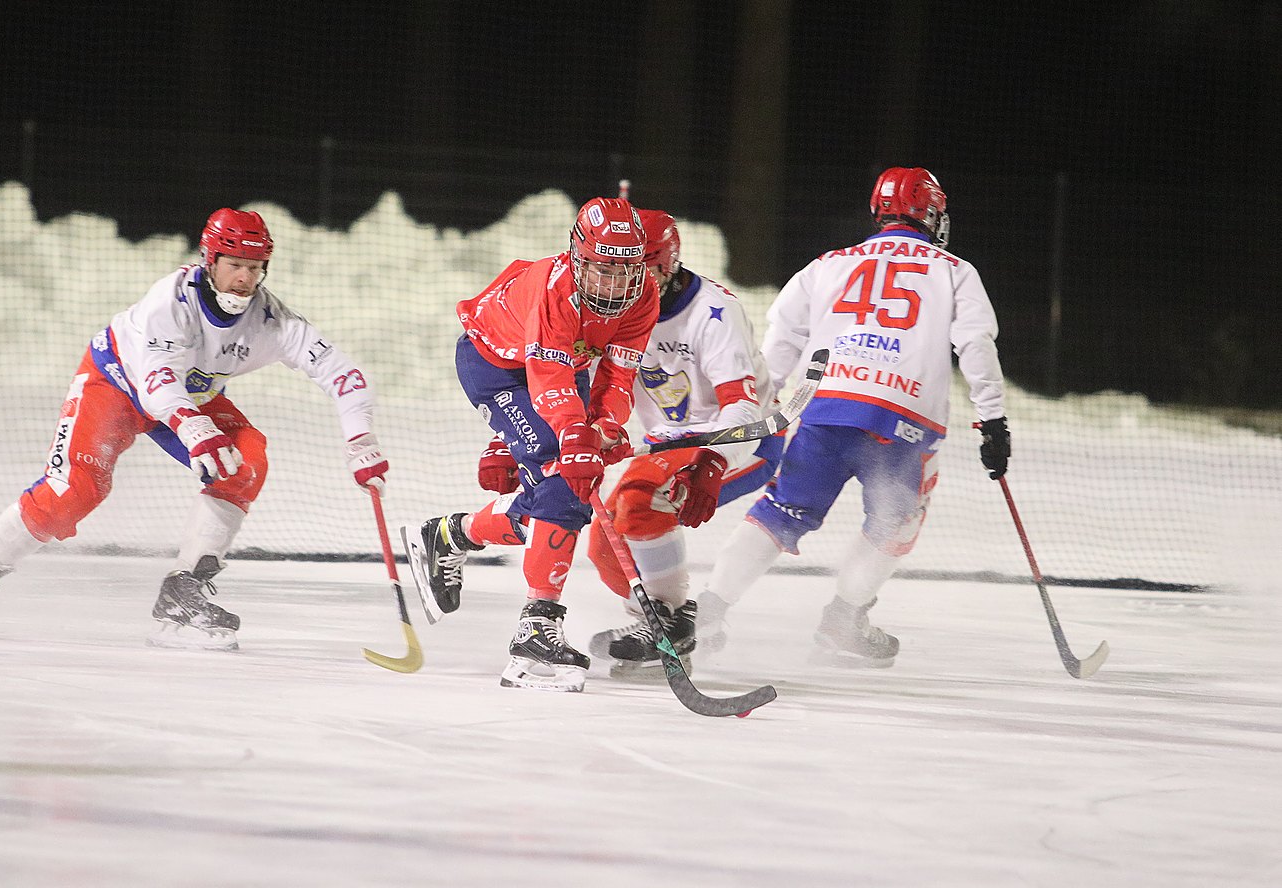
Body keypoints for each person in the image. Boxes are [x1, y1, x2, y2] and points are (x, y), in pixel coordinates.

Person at [0, 208, 389, 650]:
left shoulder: (271, 320)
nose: (244, 279)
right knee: (76, 491)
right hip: (117, 383)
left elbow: (340, 371)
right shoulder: (169, 302)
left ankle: (182, 593)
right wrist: (194, 429)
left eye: (254, 267)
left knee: (245, 463)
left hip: (190, 397)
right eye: (234, 265)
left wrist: (360, 440)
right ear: (210, 260)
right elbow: (157, 379)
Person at [694, 167, 1010, 667]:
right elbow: (975, 343)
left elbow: (783, 333)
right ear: (931, 214)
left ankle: (707, 610)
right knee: (893, 523)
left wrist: (766, 400)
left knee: (782, 510)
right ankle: (844, 618)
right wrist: (992, 420)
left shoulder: (830, 263)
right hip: (901, 422)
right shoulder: (954, 270)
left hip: (826, 407)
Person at [477, 211, 782, 674]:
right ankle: (659, 621)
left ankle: (675, 621)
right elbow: (567, 387)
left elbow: (742, 408)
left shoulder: (714, 312)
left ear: (669, 263)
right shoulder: (607, 309)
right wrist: (512, 441)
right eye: (613, 270)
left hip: (736, 439)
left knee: (637, 504)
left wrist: (714, 463)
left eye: (642, 270)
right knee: (603, 542)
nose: (622, 284)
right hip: (666, 445)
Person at [405, 196, 659, 692]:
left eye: (624, 272)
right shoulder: (554, 286)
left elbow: (618, 373)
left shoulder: (642, 295)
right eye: (602, 270)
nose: (613, 285)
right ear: (578, 257)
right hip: (496, 365)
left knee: (556, 500)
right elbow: (545, 377)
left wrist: (604, 426)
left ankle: (449, 536)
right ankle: (536, 626)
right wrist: (572, 435)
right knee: (563, 480)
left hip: (563, 367)